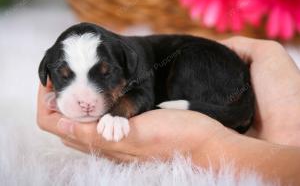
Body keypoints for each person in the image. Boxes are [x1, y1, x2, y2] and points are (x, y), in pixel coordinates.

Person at [37, 37, 300, 185]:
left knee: (186, 65)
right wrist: (288, 131)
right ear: (46, 72)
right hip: (240, 112)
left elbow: (141, 95)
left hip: (213, 76)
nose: (84, 99)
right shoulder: (122, 57)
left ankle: (227, 114)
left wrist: (202, 146)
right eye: (64, 79)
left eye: (103, 76)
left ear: (124, 65)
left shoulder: (132, 61)